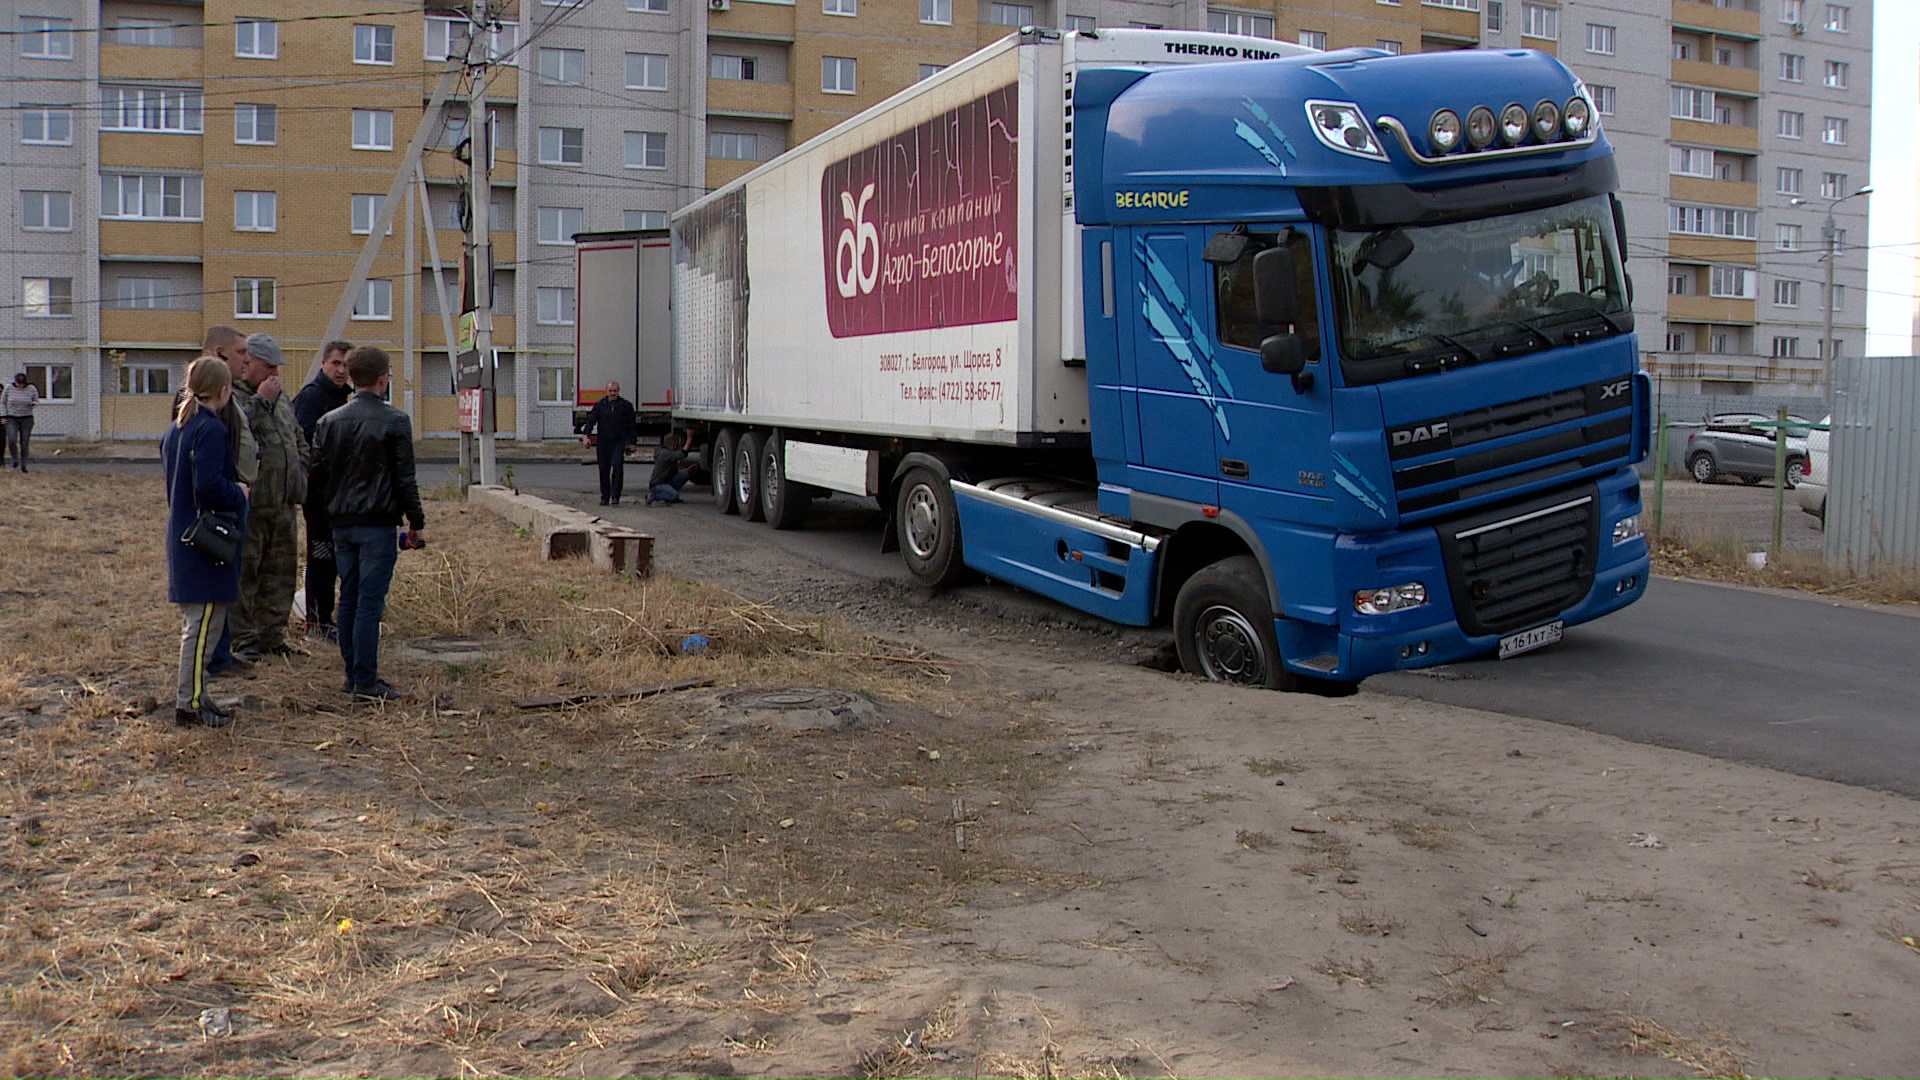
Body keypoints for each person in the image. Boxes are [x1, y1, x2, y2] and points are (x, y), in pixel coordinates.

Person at [309, 346, 425, 702]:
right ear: (382, 379)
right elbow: (405, 478)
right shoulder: (395, 421)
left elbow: (317, 475)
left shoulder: (328, 422)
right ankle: (365, 680)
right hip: (377, 522)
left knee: (349, 597)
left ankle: (352, 674)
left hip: (340, 522)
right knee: (369, 603)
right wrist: (416, 523)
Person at [162, 356, 250, 727]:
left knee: (199, 625)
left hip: (184, 536)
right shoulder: (210, 430)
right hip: (205, 543)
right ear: (224, 390)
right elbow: (209, 485)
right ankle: (189, 704)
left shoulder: (176, 429)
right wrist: (238, 492)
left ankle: (197, 695)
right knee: (202, 628)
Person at [230, 333, 306, 660]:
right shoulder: (234, 399)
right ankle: (244, 642)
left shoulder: (283, 400)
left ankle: (272, 637)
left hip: (284, 503)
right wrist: (260, 401)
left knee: (281, 575)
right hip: (253, 505)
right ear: (251, 363)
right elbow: (239, 435)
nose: (275, 373)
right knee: (246, 577)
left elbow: (299, 439)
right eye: (269, 366)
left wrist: (303, 473)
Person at [199, 327, 261, 677]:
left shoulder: (231, 396)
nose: (247, 360)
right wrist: (232, 490)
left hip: (234, 498)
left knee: (230, 578)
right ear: (220, 353)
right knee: (217, 580)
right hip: (220, 502)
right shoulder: (200, 399)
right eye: (241, 353)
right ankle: (213, 658)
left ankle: (223, 651)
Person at [293, 341, 353, 642]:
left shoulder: (345, 398)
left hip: (342, 496)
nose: (342, 370)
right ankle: (316, 621)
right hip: (319, 496)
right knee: (321, 558)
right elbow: (303, 444)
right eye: (336, 363)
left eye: (346, 365)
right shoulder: (313, 398)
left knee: (335, 559)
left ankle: (327, 617)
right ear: (324, 364)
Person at [580, 381, 639, 506]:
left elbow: (632, 425)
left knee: (617, 467)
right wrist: (586, 436)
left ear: (618, 391)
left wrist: (633, 442)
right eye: (610, 391)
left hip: (618, 441)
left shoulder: (625, 406)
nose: (613, 393)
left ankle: (615, 496)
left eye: (615, 391)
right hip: (603, 442)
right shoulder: (600, 405)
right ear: (606, 391)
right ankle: (605, 496)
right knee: (603, 469)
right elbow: (591, 421)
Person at [646, 432, 694, 506]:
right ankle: (653, 496)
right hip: (658, 484)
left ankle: (670, 496)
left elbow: (677, 472)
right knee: (674, 495)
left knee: (685, 475)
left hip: (666, 481)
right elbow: (682, 454)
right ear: (673, 444)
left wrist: (688, 469)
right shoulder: (665, 454)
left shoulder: (667, 454)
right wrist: (689, 439)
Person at [3, 373, 38, 472]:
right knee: (12, 439)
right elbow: (3, 402)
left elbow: (36, 400)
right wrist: (3, 415)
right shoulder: (9, 388)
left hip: (26, 418)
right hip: (11, 417)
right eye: (18, 384)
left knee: (24, 442)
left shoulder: (31, 388)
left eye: (22, 384)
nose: (20, 386)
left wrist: (33, 404)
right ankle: (15, 459)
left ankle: (24, 464)